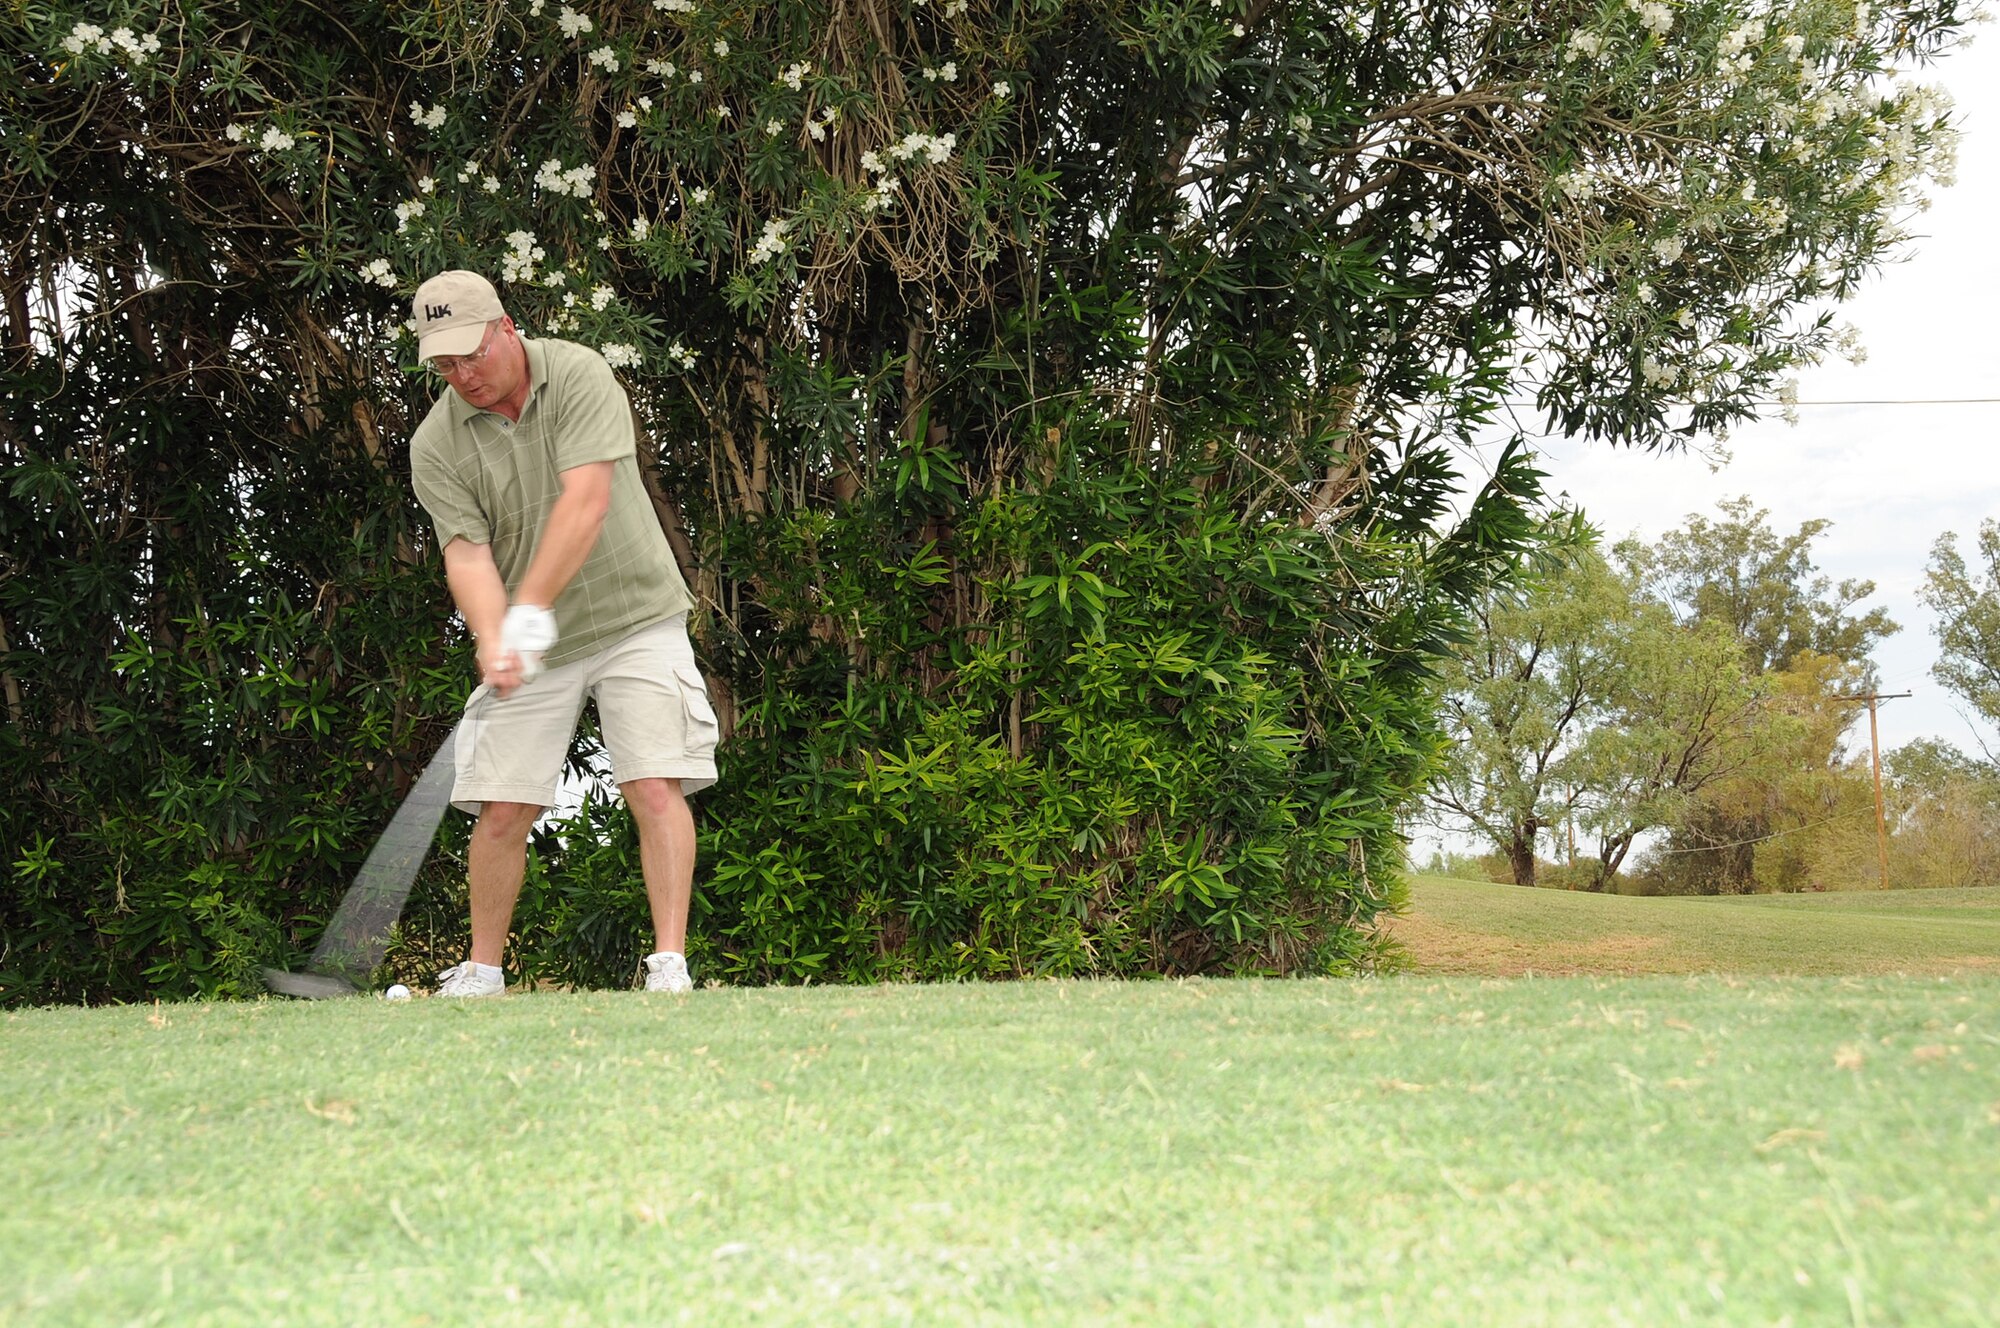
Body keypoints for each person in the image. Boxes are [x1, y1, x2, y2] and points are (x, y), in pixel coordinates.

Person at [406, 270, 716, 996]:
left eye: (472, 354)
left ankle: (669, 964)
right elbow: (467, 554)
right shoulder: (436, 444)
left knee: (653, 783)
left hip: (635, 613)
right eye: (444, 364)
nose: (463, 375)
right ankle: (483, 971)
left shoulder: (577, 372)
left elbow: (588, 501)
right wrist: (491, 633)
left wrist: (526, 612)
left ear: (506, 327)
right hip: (533, 638)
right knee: (503, 802)